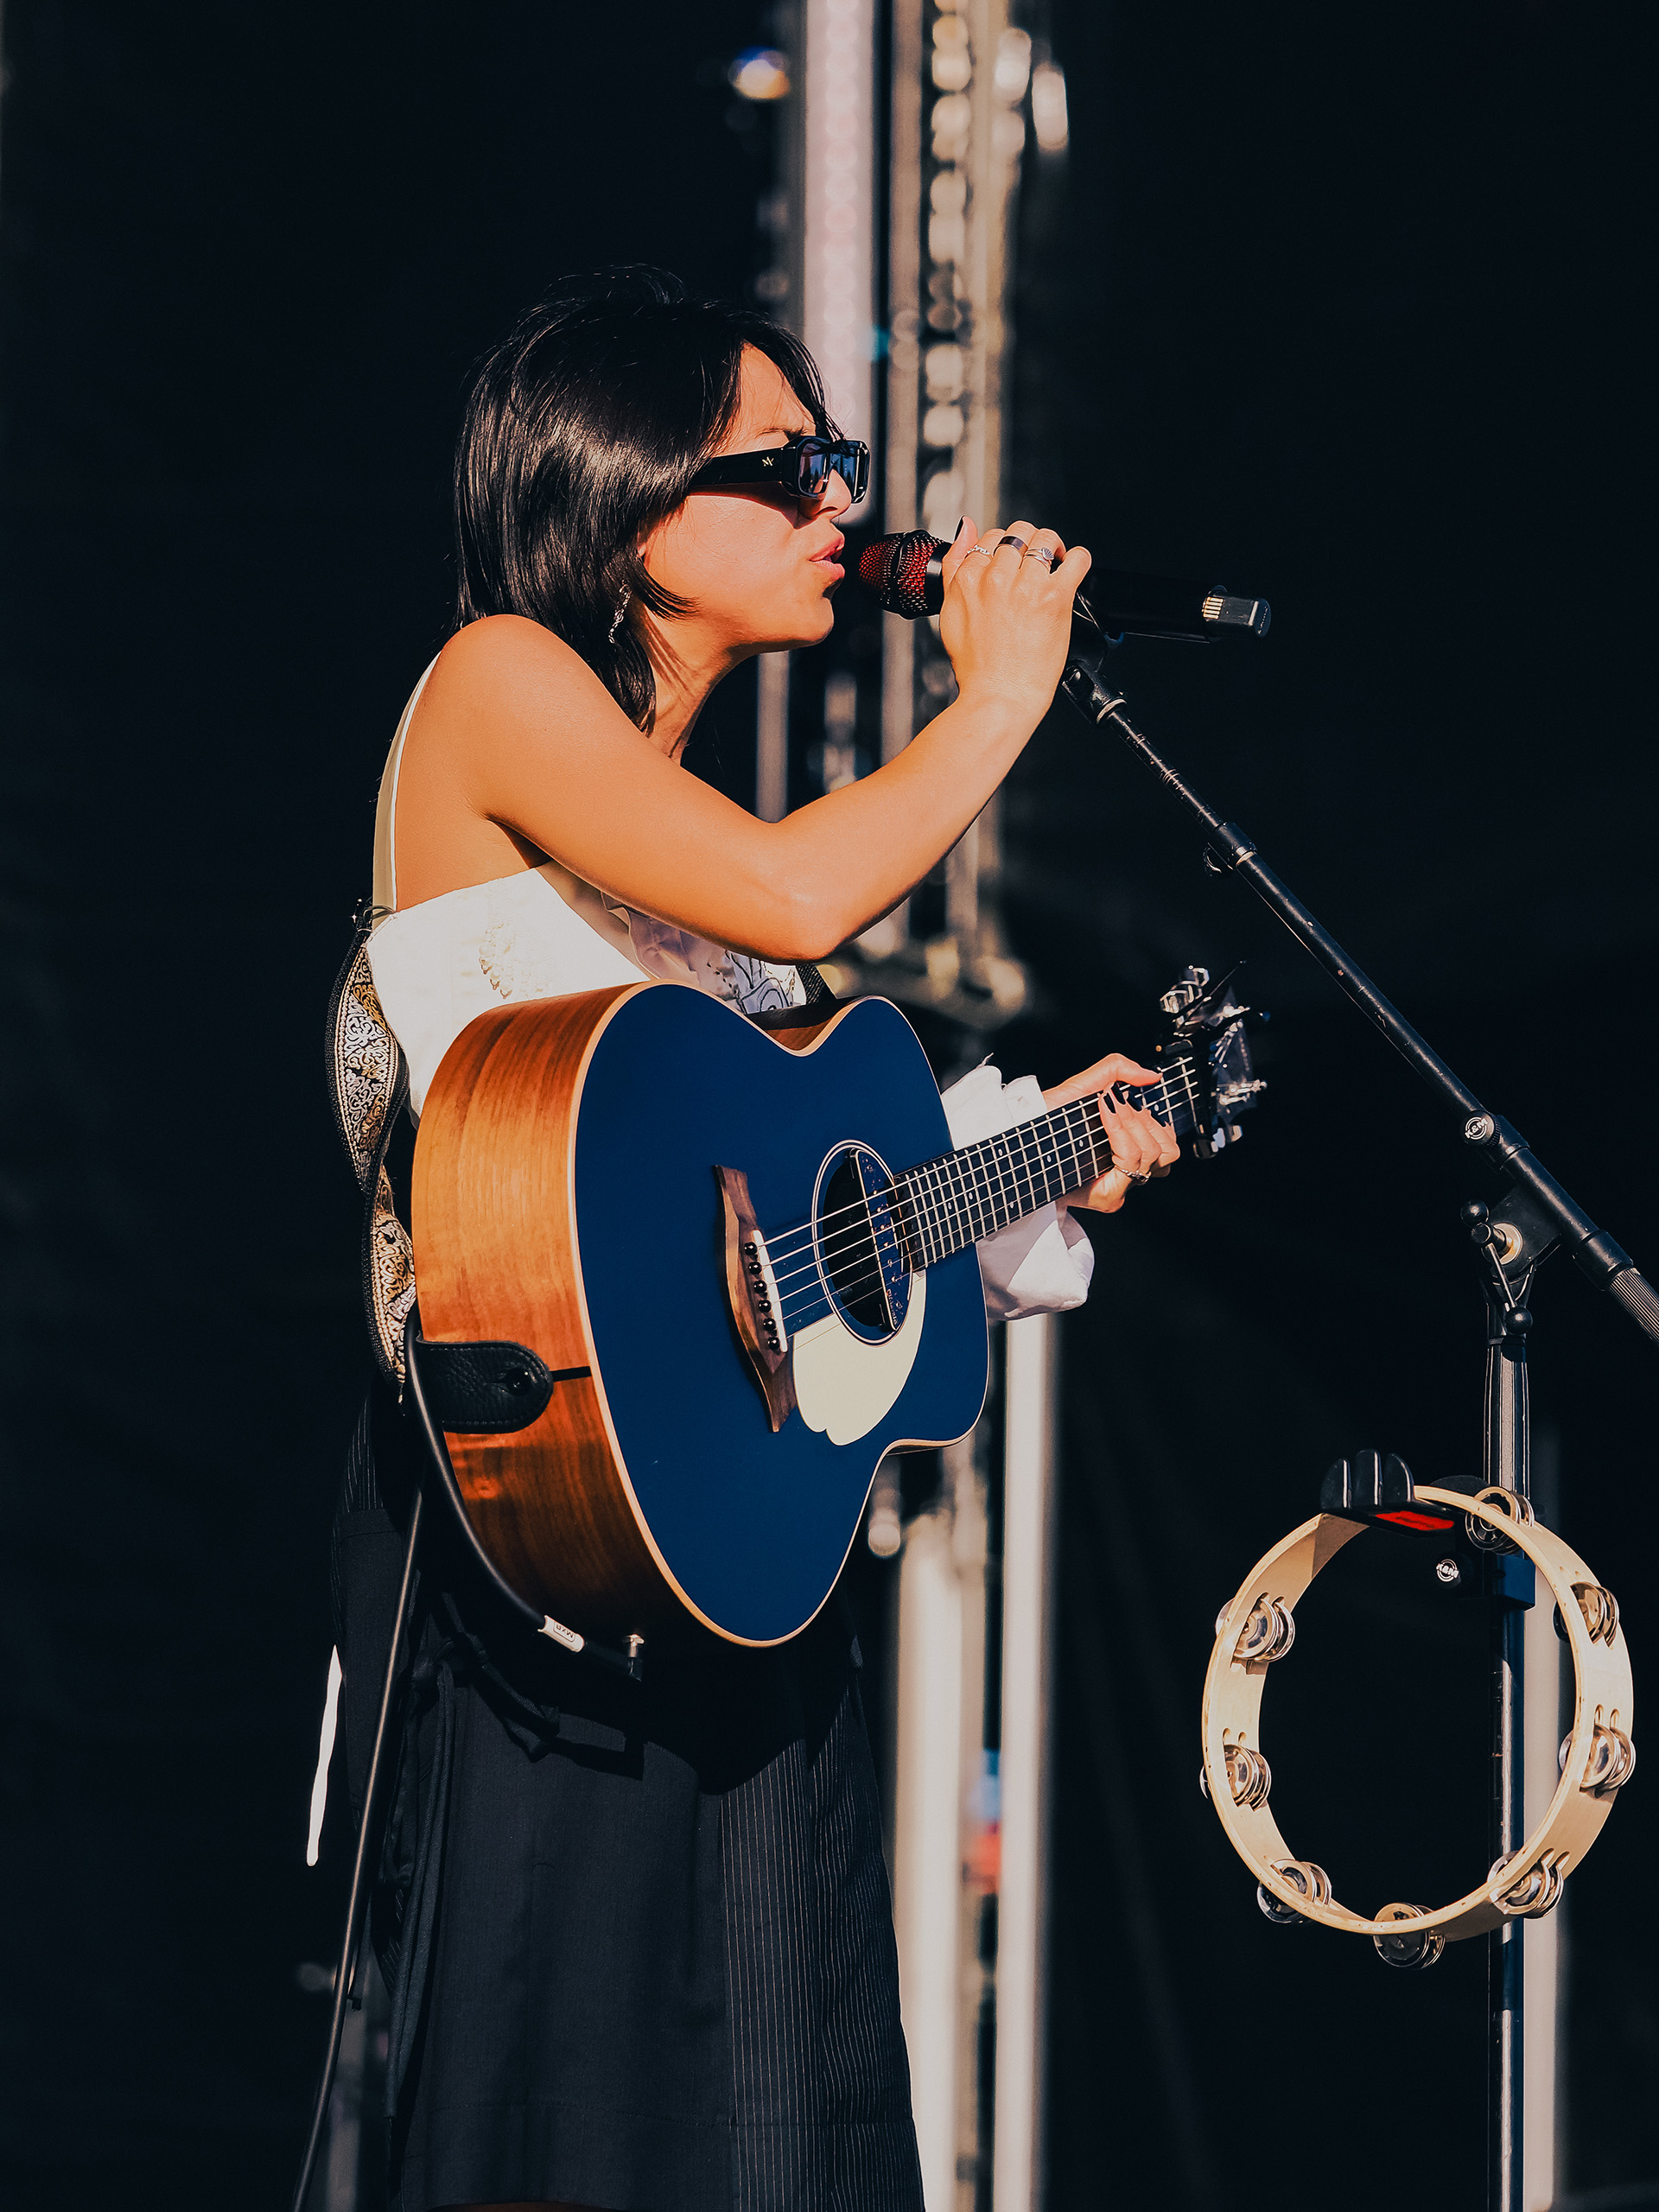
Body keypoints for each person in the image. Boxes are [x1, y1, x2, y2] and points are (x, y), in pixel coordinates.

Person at [330, 269, 1178, 2212]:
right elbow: (801, 884)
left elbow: (784, 1265)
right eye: (787, 464)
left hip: (728, 1573)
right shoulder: (499, 681)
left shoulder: (697, 884)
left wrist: (1035, 1155)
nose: (839, 503)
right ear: (626, 494)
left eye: (839, 461)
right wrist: (1003, 694)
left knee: (787, 2117)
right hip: (539, 1539)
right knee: (583, 2113)